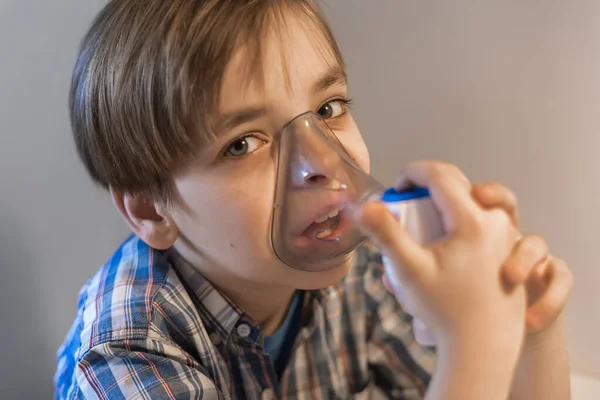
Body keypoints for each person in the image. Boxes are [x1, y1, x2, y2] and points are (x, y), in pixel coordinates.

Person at [55, 1, 573, 398]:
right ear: (151, 210)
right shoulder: (125, 354)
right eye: (243, 143)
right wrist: (473, 342)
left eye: (328, 108)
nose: (323, 164)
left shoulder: (363, 269)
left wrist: (528, 327)